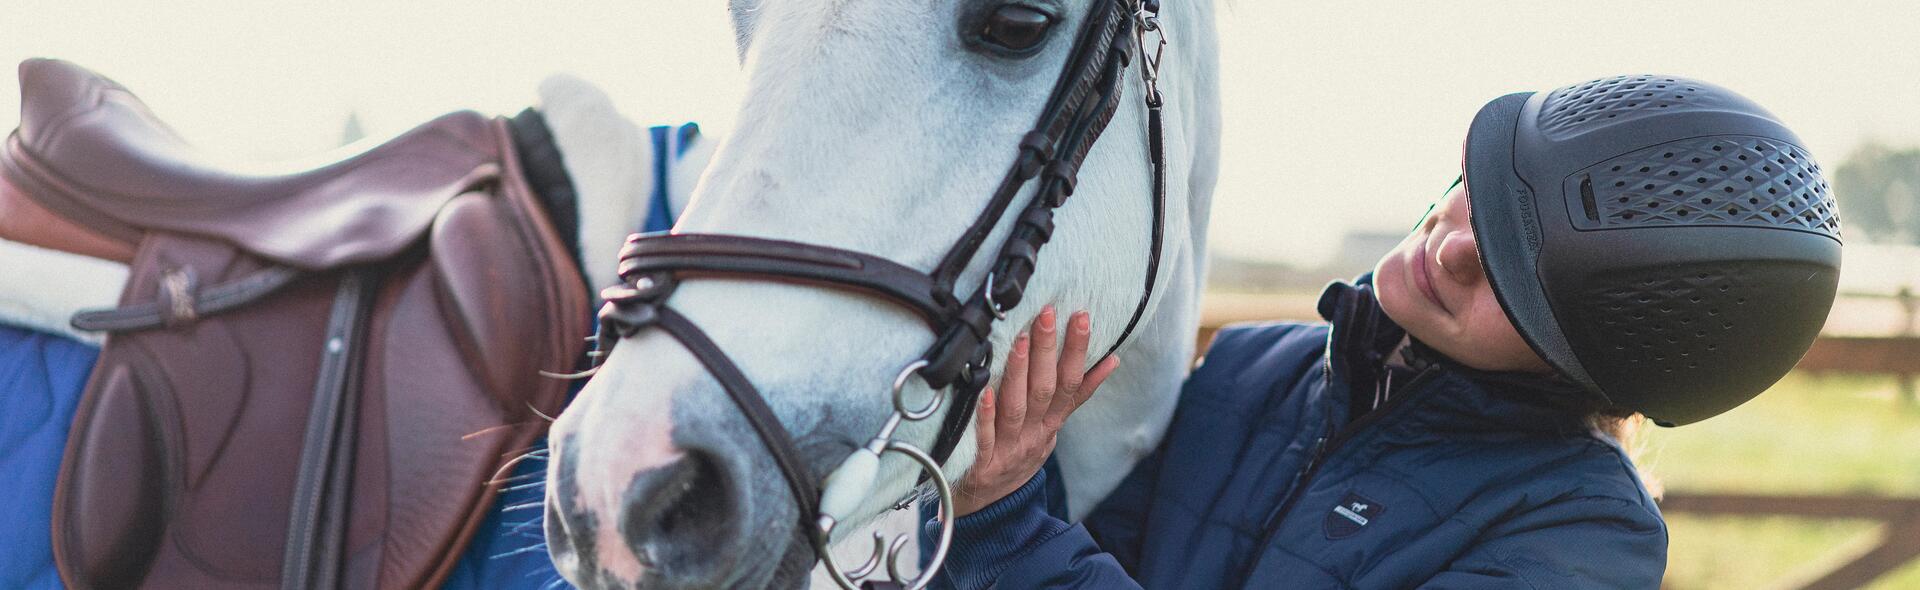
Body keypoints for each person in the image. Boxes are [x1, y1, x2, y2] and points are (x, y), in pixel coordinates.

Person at [927, 75, 1842, 589]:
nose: (1451, 249)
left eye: (1512, 281)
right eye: (1477, 200)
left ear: (1589, 368)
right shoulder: (1250, 367)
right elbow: (1099, 556)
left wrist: (1003, 525)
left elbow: (1031, 558)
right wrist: (1015, 468)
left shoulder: (1582, 532)